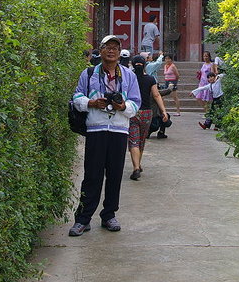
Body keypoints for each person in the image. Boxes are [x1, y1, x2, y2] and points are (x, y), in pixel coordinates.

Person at [68, 35, 141, 236]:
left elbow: (136, 103)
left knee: (115, 175)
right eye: (107, 47)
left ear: (119, 53)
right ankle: (83, 219)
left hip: (118, 130)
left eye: (115, 48)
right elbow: (77, 97)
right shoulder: (89, 73)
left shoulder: (128, 76)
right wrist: (91, 103)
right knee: (92, 175)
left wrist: (122, 106)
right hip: (96, 129)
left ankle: (109, 215)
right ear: (100, 51)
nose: (111, 51)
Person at [128, 55, 168, 180]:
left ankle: (135, 167)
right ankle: (138, 164)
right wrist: (163, 111)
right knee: (141, 140)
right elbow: (156, 95)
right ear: (144, 65)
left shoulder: (129, 78)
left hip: (132, 111)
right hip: (146, 113)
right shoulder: (150, 79)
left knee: (133, 140)